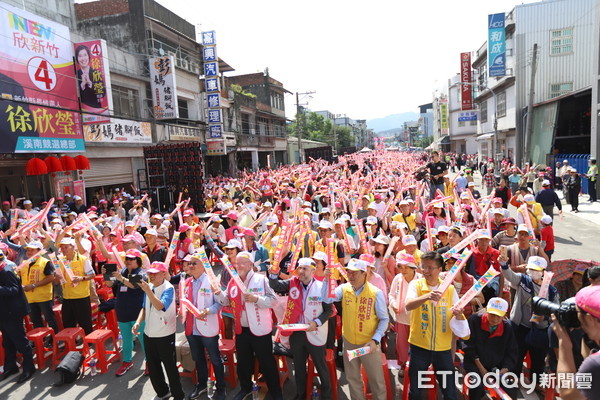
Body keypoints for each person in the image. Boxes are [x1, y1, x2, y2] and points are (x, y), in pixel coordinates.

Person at [214, 252, 283, 400]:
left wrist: (256, 298)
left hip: (260, 329)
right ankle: (245, 388)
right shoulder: (234, 281)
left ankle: (276, 392)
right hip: (241, 329)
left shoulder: (261, 280)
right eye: (237, 263)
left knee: (266, 362)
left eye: (242, 263)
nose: (238, 266)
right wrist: (218, 293)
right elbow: (226, 301)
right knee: (243, 363)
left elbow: (273, 300)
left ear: (250, 264)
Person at [404, 251, 469, 400]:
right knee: (416, 390)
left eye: (430, 268)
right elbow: (408, 305)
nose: (426, 271)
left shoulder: (450, 289)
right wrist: (427, 296)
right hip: (419, 347)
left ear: (440, 270)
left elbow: (457, 315)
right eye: (423, 267)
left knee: (449, 391)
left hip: (443, 349)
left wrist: (459, 314)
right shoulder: (416, 285)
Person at [322, 258, 388, 399]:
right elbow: (327, 299)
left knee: (376, 381)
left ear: (364, 274)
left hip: (369, 343)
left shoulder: (375, 293)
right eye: (349, 272)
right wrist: (326, 280)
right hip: (349, 341)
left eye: (355, 273)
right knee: (353, 379)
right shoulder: (344, 289)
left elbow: (384, 319)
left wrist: (375, 340)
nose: (350, 276)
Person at [268, 257, 333, 400]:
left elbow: (329, 310)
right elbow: (275, 285)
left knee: (321, 366)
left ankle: (327, 395)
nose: (301, 272)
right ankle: (301, 394)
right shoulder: (293, 282)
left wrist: (316, 322)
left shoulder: (321, 286)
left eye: (305, 268)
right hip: (297, 333)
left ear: (313, 270)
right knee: (298, 367)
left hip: (315, 332)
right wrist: (273, 273)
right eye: (300, 268)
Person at [499, 255, 559, 387]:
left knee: (538, 358)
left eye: (537, 270)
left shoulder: (551, 290)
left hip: (540, 328)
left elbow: (555, 309)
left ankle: (536, 382)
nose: (534, 273)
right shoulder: (523, 281)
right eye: (531, 269)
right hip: (521, 326)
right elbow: (510, 276)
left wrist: (546, 317)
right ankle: (513, 379)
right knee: (517, 354)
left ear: (543, 271)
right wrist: (504, 264)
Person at [133, 262, 184, 400]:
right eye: (150, 273)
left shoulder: (168, 288)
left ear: (163, 273)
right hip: (149, 333)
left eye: (155, 273)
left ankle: (178, 395)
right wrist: (138, 322)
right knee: (153, 366)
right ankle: (162, 392)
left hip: (164, 334)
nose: (151, 276)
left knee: (170, 367)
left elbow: (161, 306)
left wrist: (148, 292)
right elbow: (144, 307)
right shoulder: (149, 286)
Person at [183, 254, 226, 400]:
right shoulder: (187, 282)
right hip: (191, 328)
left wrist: (207, 311)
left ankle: (221, 389)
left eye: (195, 263)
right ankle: (201, 385)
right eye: (190, 263)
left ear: (204, 265)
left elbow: (220, 303)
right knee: (198, 359)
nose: (191, 266)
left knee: (215, 359)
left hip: (208, 327)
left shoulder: (211, 282)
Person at [463, 297, 518, 400]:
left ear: (504, 316)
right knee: (476, 386)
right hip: (475, 363)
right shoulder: (474, 320)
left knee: (510, 388)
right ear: (487, 310)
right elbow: (468, 345)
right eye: (492, 314)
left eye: (499, 316)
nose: (495, 319)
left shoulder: (507, 328)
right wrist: (481, 368)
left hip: (497, 365)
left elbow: (512, 351)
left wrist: (505, 369)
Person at [104, 249, 147, 376]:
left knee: (143, 339)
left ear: (138, 261)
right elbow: (109, 284)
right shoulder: (122, 271)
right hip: (122, 312)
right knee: (126, 339)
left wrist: (120, 278)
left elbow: (133, 285)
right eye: (126, 258)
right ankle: (127, 361)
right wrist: (107, 275)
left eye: (131, 259)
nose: (128, 261)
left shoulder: (141, 272)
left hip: (137, 314)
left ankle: (150, 362)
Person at [552, 285, 600, 399]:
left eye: (577, 313)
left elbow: (569, 393)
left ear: (589, 318)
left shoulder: (595, 363)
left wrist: (564, 344)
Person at [0, 250, 36, 383]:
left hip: (12, 312)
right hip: (4, 312)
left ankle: (29, 367)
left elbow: (14, 290)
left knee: (20, 341)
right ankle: (11, 366)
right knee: (7, 342)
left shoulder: (6, 271)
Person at [389, 253, 422, 371]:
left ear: (413, 268)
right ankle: (403, 365)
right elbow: (391, 295)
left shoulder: (420, 280)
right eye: (400, 267)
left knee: (417, 344)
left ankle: (415, 366)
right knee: (401, 344)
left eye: (406, 267)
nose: (403, 270)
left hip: (417, 319)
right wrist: (393, 304)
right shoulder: (397, 279)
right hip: (401, 317)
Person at [18, 241, 59, 334]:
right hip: (30, 298)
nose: (29, 252)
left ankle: (55, 338)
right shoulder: (24, 263)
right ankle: (42, 340)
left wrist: (33, 285)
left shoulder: (45, 262)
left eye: (32, 250)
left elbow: (51, 277)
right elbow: (20, 277)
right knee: (36, 320)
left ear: (39, 251)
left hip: (43, 297)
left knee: (50, 319)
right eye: (28, 250)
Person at [57, 237, 95, 334]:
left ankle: (88, 342)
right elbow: (58, 279)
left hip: (81, 296)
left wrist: (81, 278)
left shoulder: (83, 259)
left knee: (85, 322)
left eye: (66, 247)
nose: (64, 250)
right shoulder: (61, 261)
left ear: (73, 247)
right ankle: (72, 343)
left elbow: (92, 275)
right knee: (68, 322)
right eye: (62, 248)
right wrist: (56, 277)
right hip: (67, 296)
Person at [75, 44, 104, 109]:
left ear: (88, 56)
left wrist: (90, 83)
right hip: (82, 111)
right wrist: (82, 85)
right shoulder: (75, 74)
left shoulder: (96, 73)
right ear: (77, 58)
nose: (83, 59)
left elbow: (103, 92)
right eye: (80, 56)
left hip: (97, 111)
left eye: (85, 55)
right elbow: (72, 94)